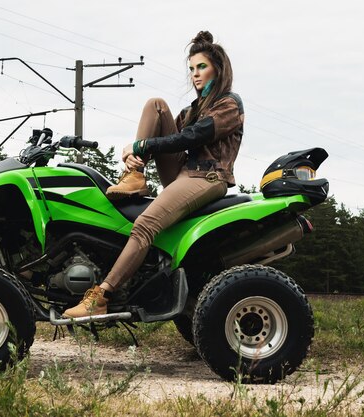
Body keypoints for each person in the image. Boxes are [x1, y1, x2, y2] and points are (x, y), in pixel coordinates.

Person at [63, 30, 244, 318]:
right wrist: (136, 154)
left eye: (202, 67)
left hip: (208, 178)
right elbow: (169, 138)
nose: (196, 75)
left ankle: (102, 295)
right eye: (192, 69)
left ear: (217, 69)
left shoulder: (229, 105)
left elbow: (192, 138)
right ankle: (134, 175)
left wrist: (141, 145)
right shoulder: (192, 109)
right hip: (183, 173)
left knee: (145, 225)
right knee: (155, 104)